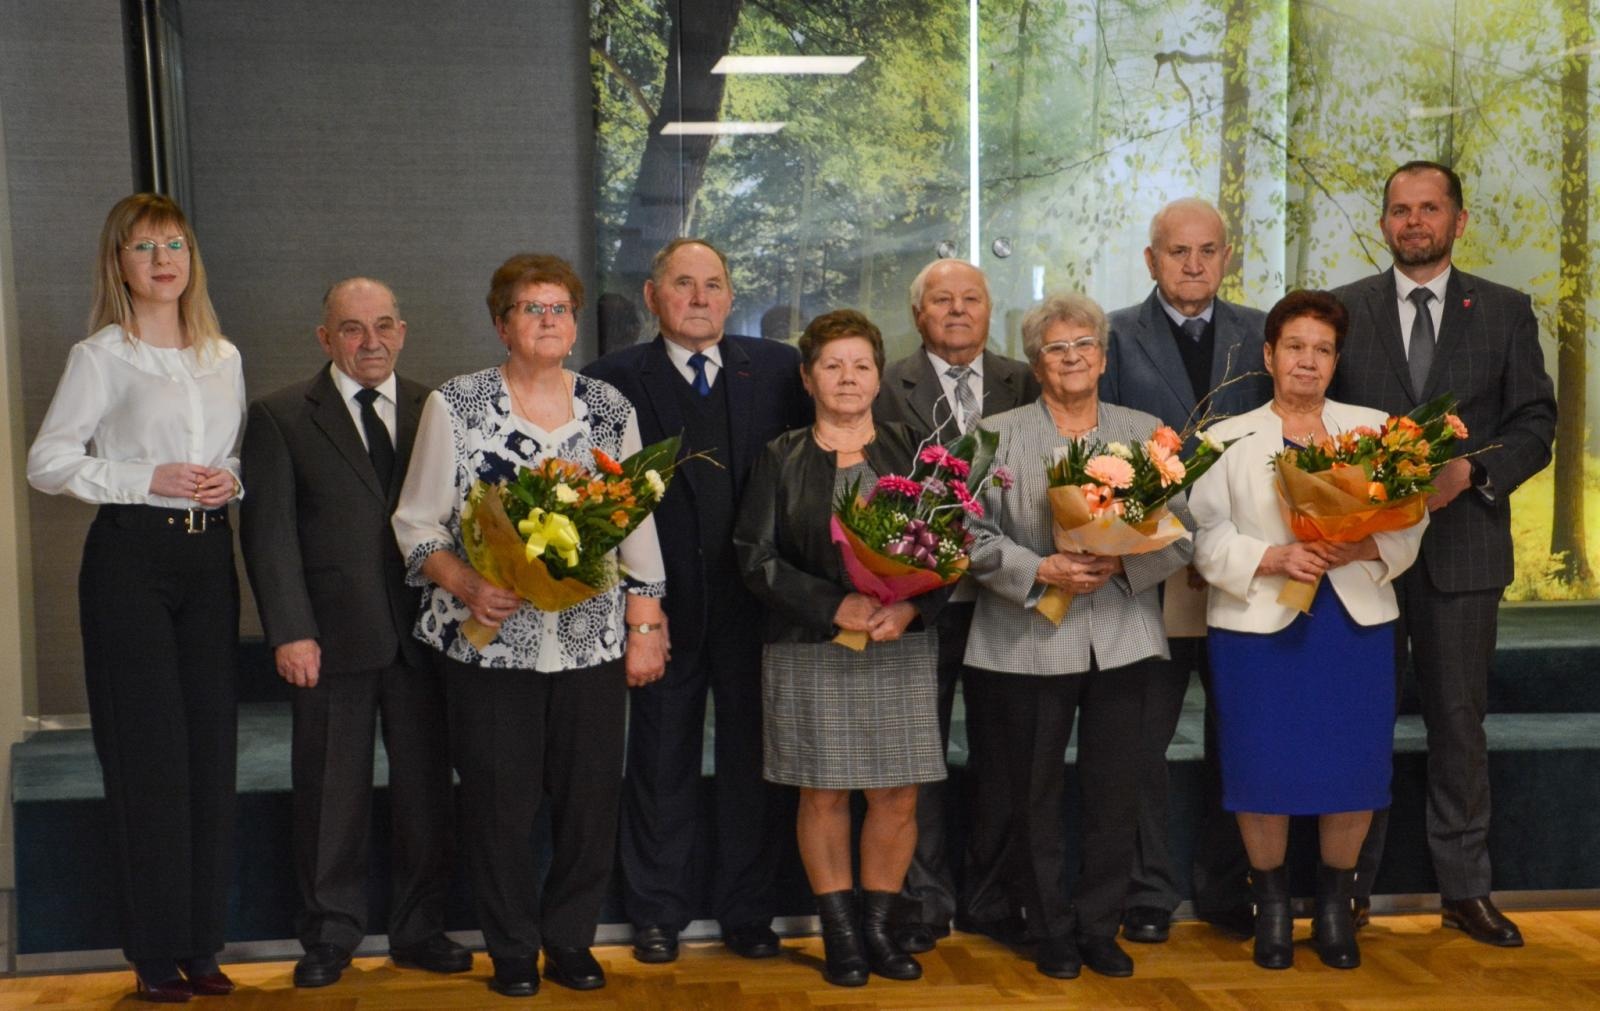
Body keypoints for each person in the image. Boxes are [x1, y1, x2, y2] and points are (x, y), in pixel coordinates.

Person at [391, 253, 669, 998]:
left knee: (587, 805)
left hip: (589, 642)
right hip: (488, 645)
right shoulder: (458, 404)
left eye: (560, 308)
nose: (549, 320)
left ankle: (570, 941)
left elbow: (635, 516)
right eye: (531, 308)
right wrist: (467, 580)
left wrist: (647, 618)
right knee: (498, 805)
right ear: (501, 322)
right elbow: (417, 522)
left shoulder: (609, 408)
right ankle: (512, 947)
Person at [1329, 161, 1556, 945]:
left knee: (1460, 723)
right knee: (1362, 720)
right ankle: (1348, 888)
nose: (1413, 221)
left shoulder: (1502, 310)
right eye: (1400, 209)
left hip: (1462, 555)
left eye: (1429, 209)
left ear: (1459, 220)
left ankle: (1465, 888)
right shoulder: (1344, 312)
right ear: (1384, 222)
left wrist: (1475, 470)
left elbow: (1534, 421)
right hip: (1362, 556)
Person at [26, 192, 245, 1002]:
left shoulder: (223, 354)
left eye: (176, 244)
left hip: (207, 560)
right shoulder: (102, 355)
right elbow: (46, 461)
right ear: (119, 261)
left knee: (209, 754)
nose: (163, 261)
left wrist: (231, 479)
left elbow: (226, 459)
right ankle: (154, 949)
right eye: (146, 247)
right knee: (149, 758)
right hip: (130, 560)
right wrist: (139, 478)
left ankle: (202, 942)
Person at [583, 238, 810, 965]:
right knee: (658, 763)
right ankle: (656, 913)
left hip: (758, 609)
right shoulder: (610, 380)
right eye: (684, 283)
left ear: (730, 294)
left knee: (755, 765)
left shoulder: (777, 369)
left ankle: (748, 911)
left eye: (713, 283)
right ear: (653, 297)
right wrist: (633, 608)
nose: (700, 296)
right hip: (658, 612)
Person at [1189, 290, 1429, 970]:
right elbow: (1202, 539)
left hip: (1352, 626)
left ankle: (1333, 907)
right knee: (1261, 768)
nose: (1308, 360)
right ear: (1268, 355)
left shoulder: (1376, 430)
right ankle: (1269, 908)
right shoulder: (1226, 438)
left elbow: (1411, 521)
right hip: (1257, 628)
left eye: (1323, 349)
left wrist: (1365, 547)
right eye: (1295, 346)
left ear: (1336, 360)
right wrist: (1272, 555)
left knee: (1350, 769)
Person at [240, 278, 468, 988]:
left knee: (427, 791)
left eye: (382, 326)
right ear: (325, 338)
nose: (370, 342)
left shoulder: (439, 408)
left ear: (402, 330)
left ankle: (420, 927)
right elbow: (269, 539)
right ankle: (330, 934)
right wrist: (289, 631)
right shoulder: (280, 416)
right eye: (351, 328)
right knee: (329, 793)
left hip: (427, 636)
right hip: (330, 640)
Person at [963, 292, 1191, 980]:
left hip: (1122, 633)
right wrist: (1042, 566)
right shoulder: (993, 433)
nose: (1072, 358)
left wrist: (1126, 556)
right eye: (1056, 348)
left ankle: (1100, 925)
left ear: (1103, 355)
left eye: (1083, 345)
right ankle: (1049, 926)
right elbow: (962, 529)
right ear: (1036, 363)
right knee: (1030, 793)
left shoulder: (1142, 427)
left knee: (1116, 789)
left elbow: (1181, 530)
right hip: (1026, 633)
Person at [734, 308, 948, 987]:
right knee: (822, 793)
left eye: (861, 365)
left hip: (897, 641)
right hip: (810, 644)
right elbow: (754, 557)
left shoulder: (917, 450)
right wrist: (835, 605)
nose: (848, 377)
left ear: (880, 376)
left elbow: (952, 547)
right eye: (833, 365)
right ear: (807, 377)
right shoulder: (781, 455)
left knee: (897, 793)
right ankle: (842, 936)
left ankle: (881, 931)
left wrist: (910, 603)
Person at [1101, 198, 1271, 943]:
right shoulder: (1110, 336)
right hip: (1150, 568)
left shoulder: (1264, 334)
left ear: (1226, 257)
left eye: (1207, 250)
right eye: (1177, 252)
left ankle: (1229, 884)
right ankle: (1147, 891)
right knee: (1141, 742)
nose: (1193, 264)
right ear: (1151, 260)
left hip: (1241, 570)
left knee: (1239, 735)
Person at [872, 257, 1038, 952]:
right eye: (942, 300)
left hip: (1005, 595)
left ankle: (993, 898)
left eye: (971, 298)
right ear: (919, 314)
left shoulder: (1023, 381)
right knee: (919, 757)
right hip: (920, 600)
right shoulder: (885, 387)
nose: (958, 310)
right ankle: (920, 901)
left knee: (1006, 755)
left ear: (989, 309)